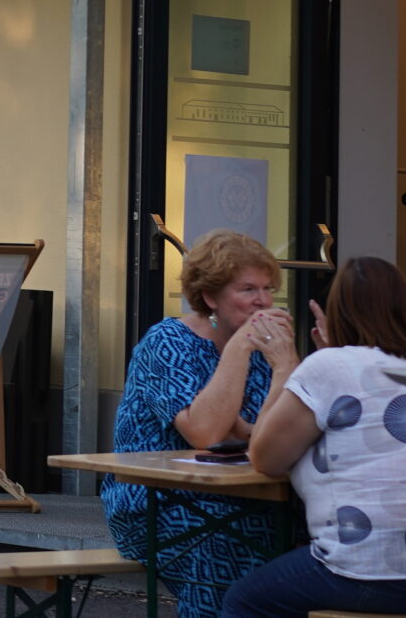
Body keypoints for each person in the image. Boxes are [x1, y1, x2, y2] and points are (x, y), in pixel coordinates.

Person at [220, 257, 406, 618]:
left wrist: (284, 367)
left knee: (244, 600)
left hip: (373, 572)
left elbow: (265, 458)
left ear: (335, 314)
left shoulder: (328, 367)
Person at [104, 228, 299, 618]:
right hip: (157, 501)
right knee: (224, 543)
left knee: (309, 536)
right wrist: (242, 346)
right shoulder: (167, 342)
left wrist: (285, 366)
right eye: (247, 290)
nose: (262, 301)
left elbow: (275, 434)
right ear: (210, 296)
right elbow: (206, 433)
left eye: (267, 289)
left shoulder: (267, 349)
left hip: (247, 496)